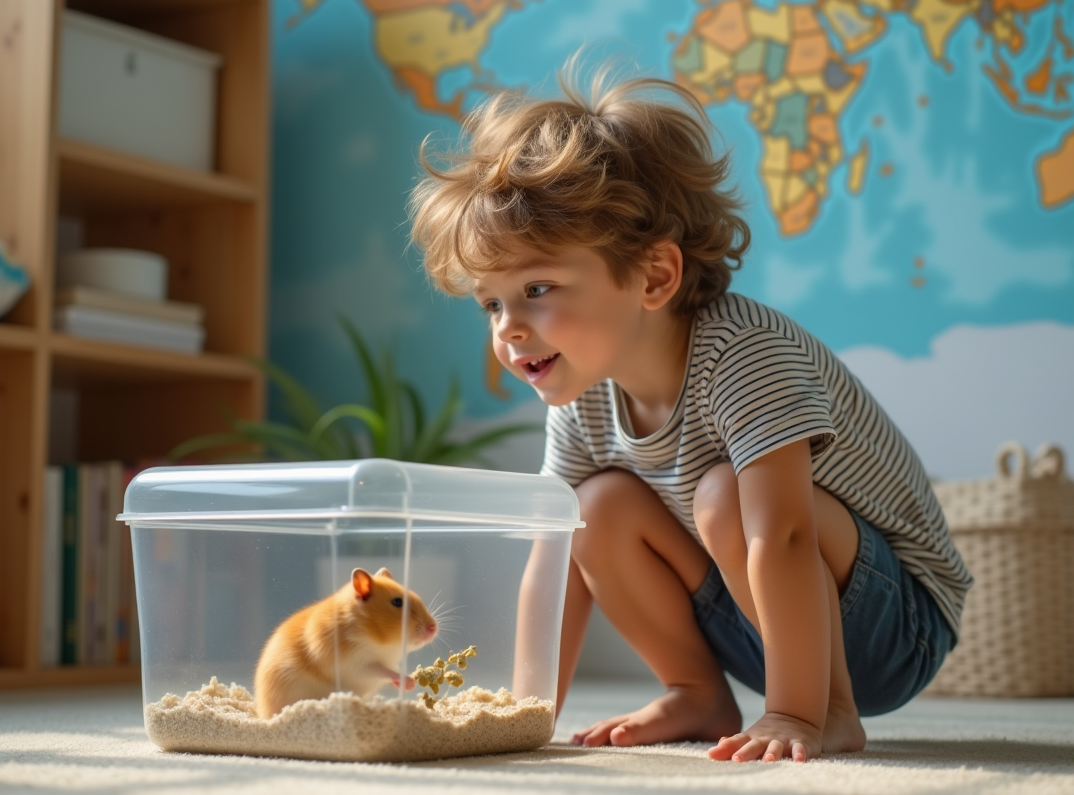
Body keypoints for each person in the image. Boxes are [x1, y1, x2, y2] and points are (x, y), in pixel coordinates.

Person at [407, 62, 971, 763]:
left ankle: (829, 709)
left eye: (538, 288)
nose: (509, 328)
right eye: (491, 303)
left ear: (654, 276)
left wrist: (797, 711)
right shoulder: (583, 391)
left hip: (893, 629)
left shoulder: (744, 354)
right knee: (592, 508)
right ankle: (696, 692)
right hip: (760, 625)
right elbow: (551, 559)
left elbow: (786, 536)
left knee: (725, 492)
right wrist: (524, 713)